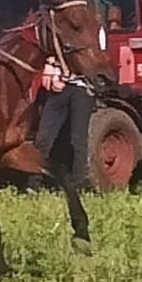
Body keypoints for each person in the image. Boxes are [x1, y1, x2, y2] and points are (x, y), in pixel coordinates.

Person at [33, 57, 92, 190]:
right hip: (59, 88)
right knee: (44, 136)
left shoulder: (97, 36)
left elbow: (93, 57)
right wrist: (50, 66)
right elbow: (51, 54)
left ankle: (78, 184)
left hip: (82, 87)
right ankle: (33, 184)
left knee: (77, 138)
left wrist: (63, 75)